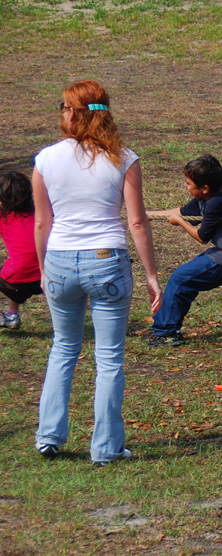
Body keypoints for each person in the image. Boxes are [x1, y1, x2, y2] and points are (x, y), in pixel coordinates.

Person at [33, 80, 161, 466]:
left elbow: (43, 221)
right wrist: (153, 275)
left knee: (63, 348)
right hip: (106, 260)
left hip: (59, 260)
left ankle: (49, 436)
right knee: (109, 359)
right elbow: (136, 222)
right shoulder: (124, 158)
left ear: (73, 113)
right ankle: (105, 446)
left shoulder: (45, 159)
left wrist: (43, 270)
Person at [149, 155, 222, 347]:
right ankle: (164, 327)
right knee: (184, 280)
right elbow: (181, 211)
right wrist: (147, 214)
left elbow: (201, 237)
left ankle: (167, 333)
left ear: (204, 187)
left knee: (180, 279)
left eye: (188, 183)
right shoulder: (207, 197)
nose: (185, 186)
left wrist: (180, 223)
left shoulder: (216, 203)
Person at [0, 171, 41, 330]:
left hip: (16, 278)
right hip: (50, 274)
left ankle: (12, 315)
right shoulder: (39, 212)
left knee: (17, 270)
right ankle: (11, 314)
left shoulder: (3, 216)